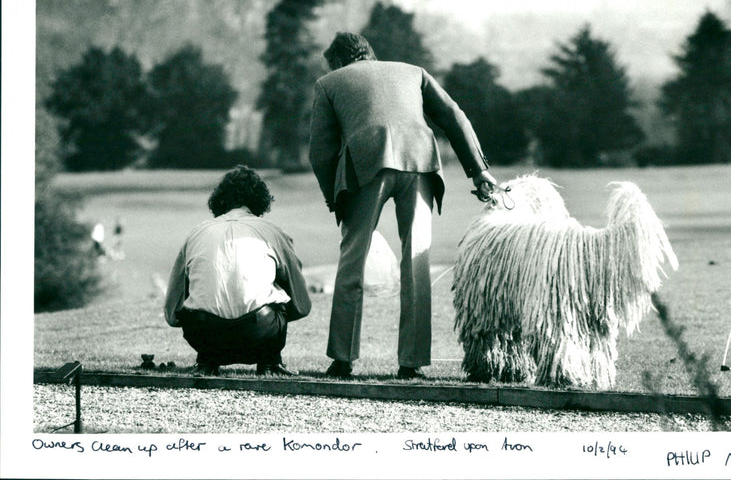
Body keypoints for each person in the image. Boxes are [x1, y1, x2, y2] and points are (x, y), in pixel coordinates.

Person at [309, 32, 497, 380]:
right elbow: (454, 116)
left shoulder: (328, 83)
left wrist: (334, 197)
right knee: (417, 261)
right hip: (421, 162)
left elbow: (319, 151)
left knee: (352, 262)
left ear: (338, 61)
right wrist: (479, 172)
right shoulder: (414, 72)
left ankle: (342, 360)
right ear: (369, 53)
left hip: (367, 165)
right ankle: (410, 364)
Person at [164, 165, 311, 376]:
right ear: (260, 200)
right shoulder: (271, 231)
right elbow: (302, 304)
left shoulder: (196, 233)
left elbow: (172, 313)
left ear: (219, 199)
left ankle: (207, 361)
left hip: (204, 335)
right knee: (277, 288)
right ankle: (269, 362)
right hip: (260, 333)